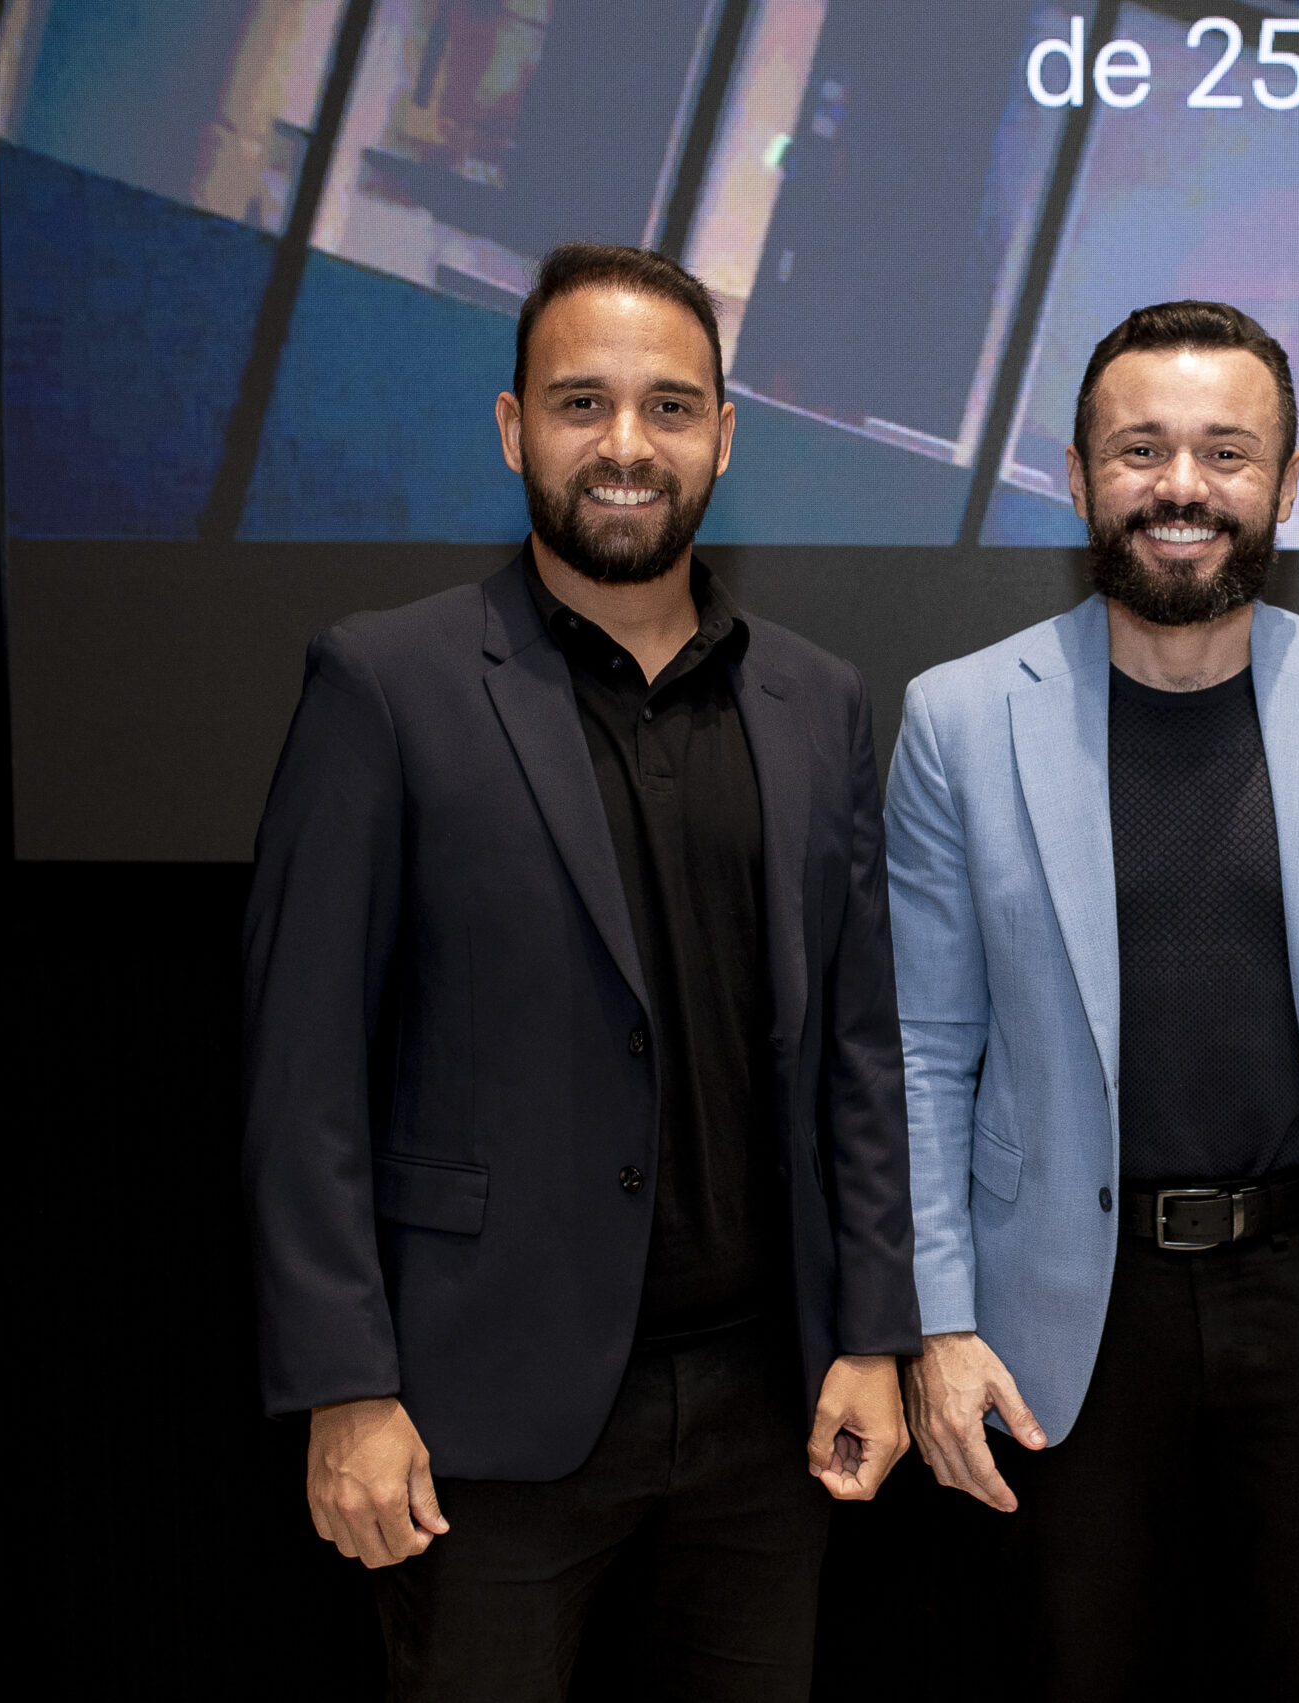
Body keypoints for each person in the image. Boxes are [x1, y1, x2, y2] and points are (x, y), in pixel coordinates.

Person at [241, 243, 916, 1702]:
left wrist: (874, 1334)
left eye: (669, 407)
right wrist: (345, 1386)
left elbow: (861, 1054)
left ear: (725, 438)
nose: (625, 445)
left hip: (766, 1415)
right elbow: (303, 1076)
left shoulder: (818, 701)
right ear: (513, 429)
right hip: (475, 1414)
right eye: (581, 403)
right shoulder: (385, 685)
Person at [885, 301, 1299, 1700]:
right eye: (1141, 449)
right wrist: (941, 1323)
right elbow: (923, 1051)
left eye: (1227, 452)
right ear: (1077, 475)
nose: (1182, 487)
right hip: (1058, 1324)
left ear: (1286, 483)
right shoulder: (961, 720)